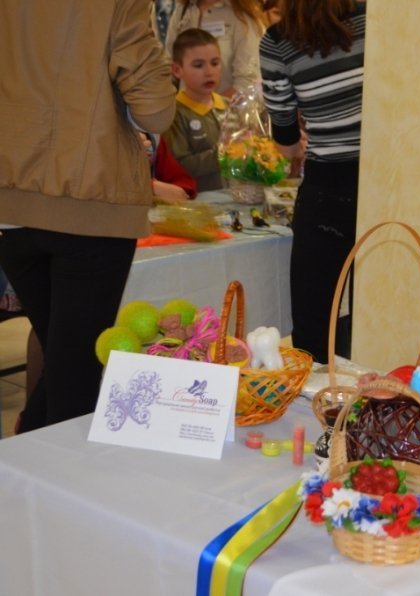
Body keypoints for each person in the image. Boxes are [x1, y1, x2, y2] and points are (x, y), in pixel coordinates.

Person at [0, 1, 176, 432]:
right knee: (75, 377)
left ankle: (26, 454)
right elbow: (155, 109)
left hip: (11, 201)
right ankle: (50, 468)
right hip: (91, 202)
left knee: (64, 362)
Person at [260, 0, 365, 362]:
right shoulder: (374, 18)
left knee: (313, 326)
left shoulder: (278, 41)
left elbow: (286, 139)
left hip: (328, 188)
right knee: (381, 311)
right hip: (387, 178)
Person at [163, 28, 228, 192]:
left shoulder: (229, 106)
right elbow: (180, 165)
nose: (209, 72)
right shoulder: (174, 113)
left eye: (215, 63)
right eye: (198, 65)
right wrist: (225, 154)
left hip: (234, 196)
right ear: (177, 70)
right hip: (197, 200)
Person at [165, 0, 264, 99]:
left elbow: (248, 82)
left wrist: (213, 106)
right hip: (185, 106)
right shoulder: (182, 10)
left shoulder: (243, 16)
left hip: (229, 107)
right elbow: (169, 67)